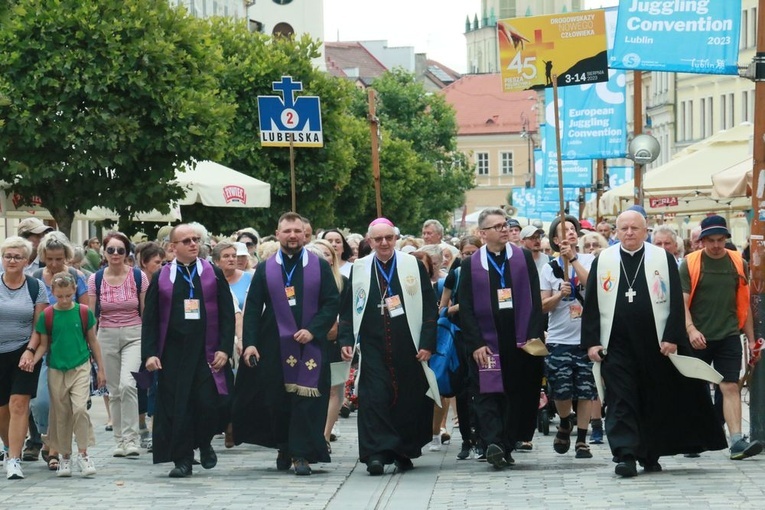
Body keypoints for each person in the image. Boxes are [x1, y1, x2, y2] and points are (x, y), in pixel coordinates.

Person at [581, 210, 727, 478]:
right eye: (623, 228)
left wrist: (672, 337)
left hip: (655, 342)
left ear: (645, 230)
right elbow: (590, 303)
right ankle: (625, 454)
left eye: (634, 228)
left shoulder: (662, 258)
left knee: (652, 398)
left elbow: (674, 301)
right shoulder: (604, 260)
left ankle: (649, 453)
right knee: (621, 399)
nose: (628, 233)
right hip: (615, 343)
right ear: (615, 231)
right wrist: (591, 342)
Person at [232, 213, 339, 476]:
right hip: (273, 344)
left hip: (310, 344)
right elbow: (254, 307)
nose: (292, 235)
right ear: (278, 234)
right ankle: (284, 445)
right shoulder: (266, 268)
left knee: (307, 400)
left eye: (297, 231)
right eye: (287, 231)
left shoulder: (319, 266)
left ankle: (302, 453)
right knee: (278, 399)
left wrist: (313, 331)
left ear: (305, 234)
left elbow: (331, 303)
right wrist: (250, 344)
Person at [338, 217, 438, 475]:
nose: (384, 243)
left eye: (389, 238)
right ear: (369, 241)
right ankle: (376, 453)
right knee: (373, 399)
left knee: (408, 399)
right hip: (372, 344)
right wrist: (347, 339)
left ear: (396, 238)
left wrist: (427, 342)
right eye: (378, 239)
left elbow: (429, 306)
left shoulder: (412, 265)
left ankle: (403, 450)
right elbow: (348, 308)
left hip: (408, 345)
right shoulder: (359, 268)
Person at [141, 224, 235, 478]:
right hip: (173, 353)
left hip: (207, 350)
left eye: (196, 239)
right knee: (178, 406)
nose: (193, 244)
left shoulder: (212, 273)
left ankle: (204, 441)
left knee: (210, 403)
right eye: (186, 241)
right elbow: (150, 318)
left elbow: (227, 314)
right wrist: (149, 353)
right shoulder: (162, 277)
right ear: (173, 247)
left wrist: (225, 349)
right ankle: (182, 459)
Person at [458, 208, 545, 469]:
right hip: (487, 342)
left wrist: (532, 335)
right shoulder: (470, 264)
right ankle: (493, 442)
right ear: (483, 233)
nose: (504, 229)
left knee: (516, 393)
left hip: (519, 340)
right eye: (497, 226)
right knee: (487, 393)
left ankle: (507, 444)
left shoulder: (523, 257)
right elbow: (466, 307)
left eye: (505, 224)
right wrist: (476, 343)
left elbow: (535, 299)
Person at [680, 215, 763, 460]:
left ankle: (736, 440)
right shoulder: (690, 264)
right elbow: (682, 304)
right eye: (711, 240)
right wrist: (691, 330)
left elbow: (744, 305)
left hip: (728, 335)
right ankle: (694, 437)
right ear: (702, 241)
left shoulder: (739, 263)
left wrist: (750, 339)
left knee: (729, 385)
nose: (716, 245)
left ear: (726, 238)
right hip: (698, 336)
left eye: (720, 240)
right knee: (696, 389)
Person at [35, 272, 105, 477]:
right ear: (53, 293)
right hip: (56, 368)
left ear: (74, 290)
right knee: (61, 414)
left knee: (80, 409)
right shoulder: (47, 315)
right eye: (60, 296)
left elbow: (93, 340)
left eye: (68, 295)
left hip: (80, 365)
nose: (65, 300)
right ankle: (65, 455)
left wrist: (101, 369)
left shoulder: (83, 312)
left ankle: (83, 453)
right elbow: (44, 345)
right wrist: (32, 359)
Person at [88, 232, 148, 459]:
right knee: (113, 390)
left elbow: (145, 311)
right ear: (104, 252)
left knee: (127, 385)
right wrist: (92, 348)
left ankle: (132, 438)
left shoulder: (138, 277)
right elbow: (93, 316)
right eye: (111, 250)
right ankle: (119, 440)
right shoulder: (96, 279)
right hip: (107, 335)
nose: (115, 254)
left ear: (127, 253)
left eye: (120, 250)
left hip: (134, 334)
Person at [541, 215, 596, 459]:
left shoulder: (589, 260)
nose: (570, 233)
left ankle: (582, 439)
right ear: (555, 239)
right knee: (561, 390)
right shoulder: (549, 268)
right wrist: (558, 295)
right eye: (564, 230)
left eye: (573, 229)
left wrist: (573, 259)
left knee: (585, 390)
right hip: (559, 337)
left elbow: (593, 288)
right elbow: (543, 306)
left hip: (586, 338)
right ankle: (565, 420)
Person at [0, 236, 48, 480]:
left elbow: (38, 326)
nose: (12, 260)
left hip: (23, 352)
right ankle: (9, 448)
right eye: (8, 255)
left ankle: (14, 460)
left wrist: (30, 350)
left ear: (27, 261)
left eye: (18, 256)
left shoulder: (35, 287)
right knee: (2, 410)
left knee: (19, 404)